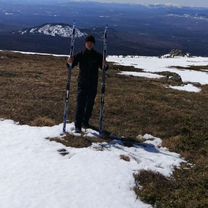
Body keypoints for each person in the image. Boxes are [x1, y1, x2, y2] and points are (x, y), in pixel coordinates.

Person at [67, 35, 108, 133]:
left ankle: (85, 122)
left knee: (90, 104)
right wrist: (69, 62)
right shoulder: (80, 54)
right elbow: (71, 66)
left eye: (91, 43)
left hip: (93, 84)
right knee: (80, 104)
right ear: (85, 43)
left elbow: (104, 68)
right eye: (88, 42)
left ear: (93, 44)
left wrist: (105, 65)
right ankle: (78, 125)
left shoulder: (98, 56)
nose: (89, 44)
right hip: (82, 83)